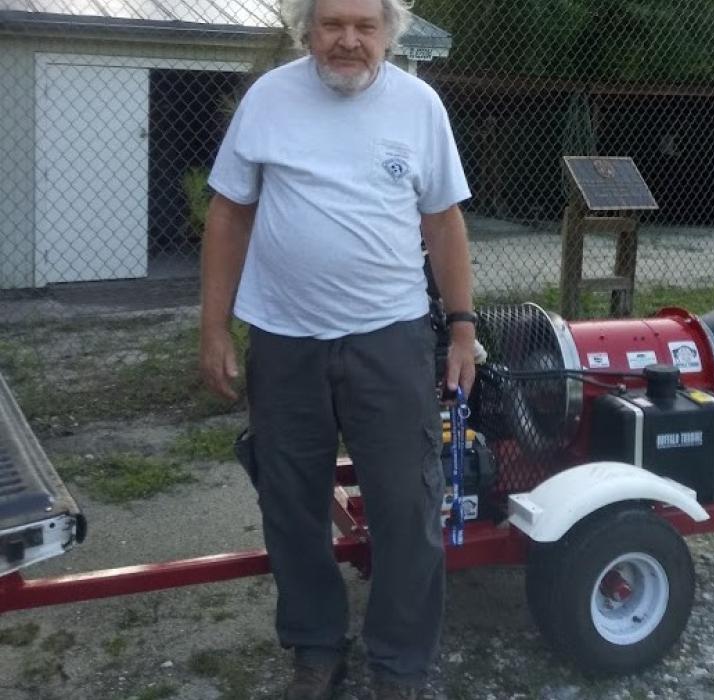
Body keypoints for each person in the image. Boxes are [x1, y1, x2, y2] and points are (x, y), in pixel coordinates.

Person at [198, 0, 476, 698]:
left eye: (364, 25)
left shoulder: (419, 107)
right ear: (307, 29)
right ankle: (317, 647)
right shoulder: (268, 100)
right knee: (292, 506)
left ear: (389, 31)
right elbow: (229, 213)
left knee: (406, 509)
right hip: (285, 340)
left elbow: (443, 222)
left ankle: (400, 665)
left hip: (390, 339)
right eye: (332, 24)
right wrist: (213, 327)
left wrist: (463, 327)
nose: (347, 40)